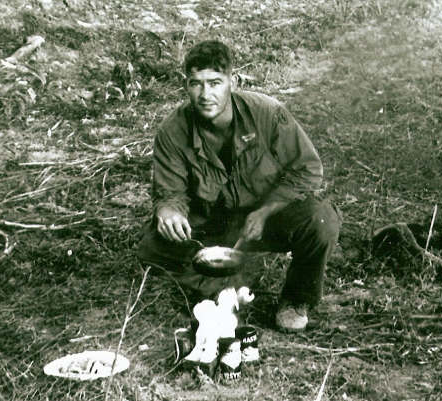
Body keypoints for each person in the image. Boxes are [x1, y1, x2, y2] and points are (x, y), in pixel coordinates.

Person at [137, 40, 340, 331]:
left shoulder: (268, 114)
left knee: (321, 220)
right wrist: (169, 212)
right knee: (151, 246)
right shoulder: (173, 131)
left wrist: (266, 211)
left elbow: (307, 170)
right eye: (196, 84)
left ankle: (296, 299)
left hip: (266, 221)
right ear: (186, 86)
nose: (205, 94)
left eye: (215, 83)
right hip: (210, 224)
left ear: (233, 81)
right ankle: (224, 287)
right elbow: (170, 193)